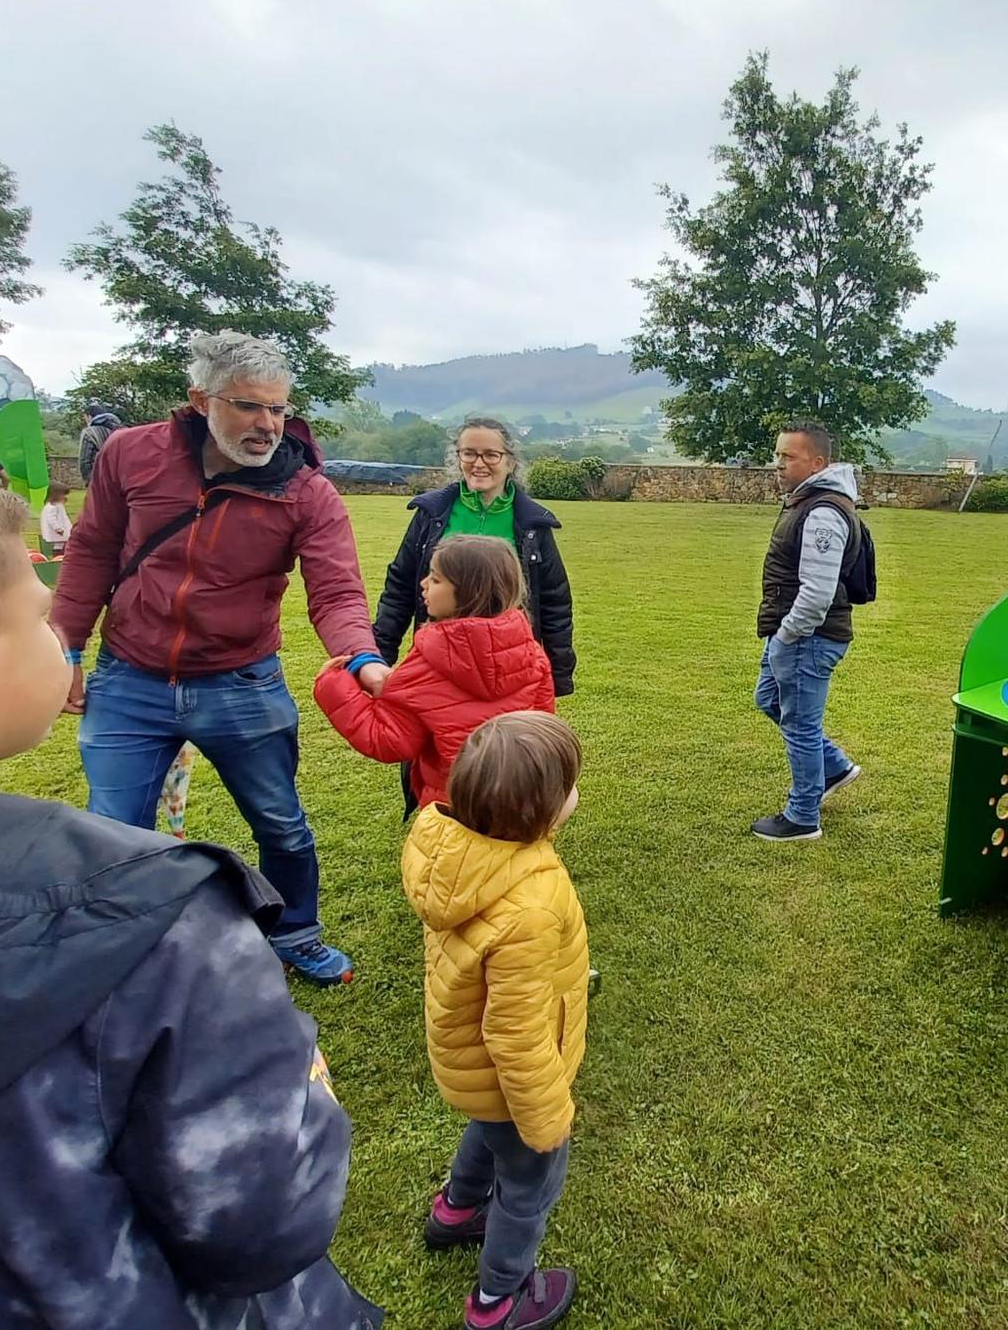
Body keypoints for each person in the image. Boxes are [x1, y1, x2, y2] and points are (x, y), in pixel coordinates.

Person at [0, 437, 381, 1329]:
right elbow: (266, 1219)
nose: (63, 628)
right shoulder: (156, 924)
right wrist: (302, 1083)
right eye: (39, 612)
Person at [51, 331, 385, 986]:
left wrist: (361, 658)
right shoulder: (130, 455)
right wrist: (67, 646)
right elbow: (91, 551)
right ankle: (124, 955)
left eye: (279, 410)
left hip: (241, 682)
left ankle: (295, 934)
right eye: (249, 407)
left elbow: (338, 592)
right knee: (115, 833)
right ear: (201, 399)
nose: (268, 425)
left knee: (282, 826)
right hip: (129, 678)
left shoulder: (305, 492)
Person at [405, 711, 587, 1330]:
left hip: (476, 1075)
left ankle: (456, 1210)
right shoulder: (529, 907)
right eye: (570, 786)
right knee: (528, 1181)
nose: (576, 795)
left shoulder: (463, 857)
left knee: (488, 1126)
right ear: (539, 810)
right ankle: (498, 1300)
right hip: (512, 1079)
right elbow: (514, 1034)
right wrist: (547, 1117)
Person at [374, 416, 577, 815]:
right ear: (457, 457)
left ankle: (505, 814)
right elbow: (400, 583)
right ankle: (434, 811)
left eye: (490, 454)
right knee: (436, 737)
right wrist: (379, 648)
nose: (478, 463)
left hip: (508, 658)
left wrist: (558, 672)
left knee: (507, 745)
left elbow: (554, 600)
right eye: (469, 453)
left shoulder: (531, 523)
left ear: (510, 461)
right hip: (440, 654)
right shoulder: (432, 514)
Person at [315, 535, 555, 813]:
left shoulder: (427, 661)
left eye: (436, 579)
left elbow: (389, 740)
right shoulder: (532, 653)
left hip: (452, 809)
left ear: (469, 591)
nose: (423, 584)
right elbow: (544, 729)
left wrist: (334, 686)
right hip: (519, 805)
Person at [751, 421, 865, 842]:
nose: (777, 465)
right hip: (797, 635)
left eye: (787, 457)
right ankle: (833, 766)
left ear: (818, 462)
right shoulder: (807, 502)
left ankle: (803, 816)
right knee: (769, 699)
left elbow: (816, 594)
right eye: (777, 455)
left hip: (807, 638)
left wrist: (786, 636)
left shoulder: (821, 512)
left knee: (799, 722)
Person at [78, 400, 123, 486]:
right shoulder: (120, 430)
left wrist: (89, 483)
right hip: (120, 480)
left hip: (100, 480)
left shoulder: (89, 432)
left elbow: (85, 461)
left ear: (89, 417)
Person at [39, 481, 73, 555]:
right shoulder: (51, 507)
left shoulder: (57, 505)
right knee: (58, 544)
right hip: (58, 532)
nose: (64, 496)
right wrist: (57, 528)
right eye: (63, 494)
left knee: (61, 544)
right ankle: (57, 556)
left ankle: (61, 554)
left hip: (62, 531)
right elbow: (51, 519)